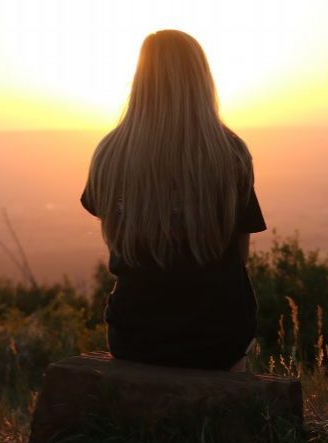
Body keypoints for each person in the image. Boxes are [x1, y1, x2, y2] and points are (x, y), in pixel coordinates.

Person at [80, 29, 267, 371]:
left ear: (140, 80)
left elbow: (116, 241)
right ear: (201, 81)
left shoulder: (109, 154)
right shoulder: (231, 154)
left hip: (135, 336)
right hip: (218, 337)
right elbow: (240, 257)